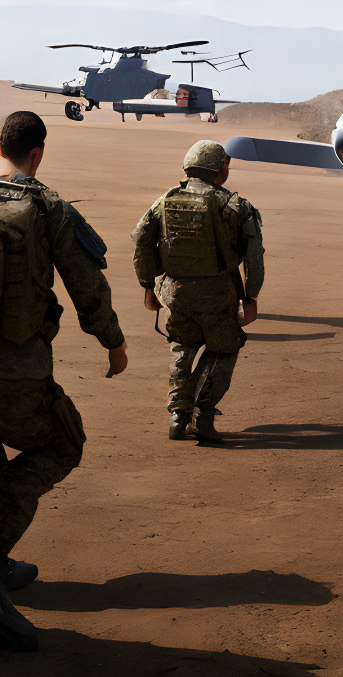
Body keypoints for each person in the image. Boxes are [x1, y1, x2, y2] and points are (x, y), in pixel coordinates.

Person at [0, 111, 127, 653]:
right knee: (60, 444)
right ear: (38, 154)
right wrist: (113, 341)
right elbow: (84, 283)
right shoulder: (47, 205)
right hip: (15, 371)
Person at [131, 140, 263, 443]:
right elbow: (254, 256)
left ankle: (178, 416)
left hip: (174, 291)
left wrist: (147, 286)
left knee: (181, 347)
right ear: (218, 168)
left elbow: (140, 242)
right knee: (224, 348)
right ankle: (203, 415)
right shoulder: (235, 206)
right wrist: (251, 296)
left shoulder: (164, 201)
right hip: (218, 293)